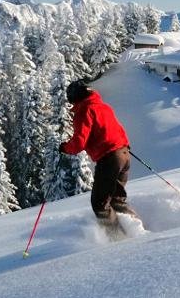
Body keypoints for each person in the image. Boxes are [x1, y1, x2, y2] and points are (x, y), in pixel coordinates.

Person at [59, 80, 140, 236]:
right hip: (123, 154)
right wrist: (124, 147)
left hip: (109, 159)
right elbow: (119, 129)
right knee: (117, 200)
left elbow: (79, 142)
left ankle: (118, 240)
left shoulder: (84, 111)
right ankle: (138, 231)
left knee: (100, 204)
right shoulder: (104, 107)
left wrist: (65, 148)